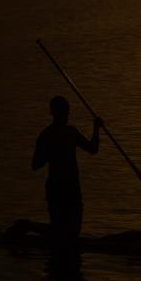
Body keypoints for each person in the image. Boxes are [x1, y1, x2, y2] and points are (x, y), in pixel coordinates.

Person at [32, 95, 102, 254]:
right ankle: (28, 226)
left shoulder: (72, 132)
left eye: (67, 112)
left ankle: (38, 229)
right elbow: (35, 165)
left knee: (73, 232)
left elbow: (92, 149)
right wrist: (51, 153)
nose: (66, 115)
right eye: (62, 112)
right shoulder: (47, 135)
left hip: (73, 188)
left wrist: (96, 129)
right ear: (54, 113)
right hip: (56, 188)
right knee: (60, 231)